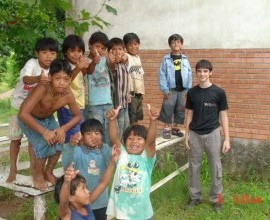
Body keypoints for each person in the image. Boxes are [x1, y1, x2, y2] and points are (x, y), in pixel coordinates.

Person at [18, 59, 81, 191]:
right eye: (58, 78)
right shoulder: (42, 88)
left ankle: (48, 172)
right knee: (44, 143)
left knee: (58, 141)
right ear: (50, 77)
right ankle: (37, 174)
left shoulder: (68, 94)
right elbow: (23, 114)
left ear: (70, 79)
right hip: (29, 119)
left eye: (65, 79)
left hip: (47, 118)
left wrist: (63, 129)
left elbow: (78, 116)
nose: (62, 83)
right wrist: (45, 132)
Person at [6, 37, 58, 183]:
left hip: (33, 110)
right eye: (44, 52)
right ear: (37, 53)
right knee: (15, 140)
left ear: (57, 56)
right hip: (17, 106)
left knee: (33, 141)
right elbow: (25, 79)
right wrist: (38, 78)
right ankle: (13, 169)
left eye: (52, 53)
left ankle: (34, 169)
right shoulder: (31, 63)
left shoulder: (54, 69)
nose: (49, 56)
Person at [185, 59, 230, 213]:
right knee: (193, 166)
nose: (202, 74)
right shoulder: (192, 92)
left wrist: (227, 139)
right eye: (199, 71)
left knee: (215, 167)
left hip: (213, 133)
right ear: (196, 73)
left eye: (205, 71)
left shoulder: (219, 92)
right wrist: (187, 135)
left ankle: (216, 200)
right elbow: (189, 114)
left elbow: (223, 116)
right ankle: (194, 197)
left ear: (210, 72)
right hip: (195, 134)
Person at [106, 104, 159, 219]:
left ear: (144, 143)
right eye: (130, 138)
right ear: (124, 143)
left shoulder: (146, 158)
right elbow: (114, 138)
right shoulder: (122, 155)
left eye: (139, 138)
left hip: (143, 213)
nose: (134, 141)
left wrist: (153, 121)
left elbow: (150, 142)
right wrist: (112, 120)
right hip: (123, 212)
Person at [61, 119, 112, 220]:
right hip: (78, 204)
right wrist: (71, 145)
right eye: (88, 133)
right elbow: (67, 165)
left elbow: (111, 162)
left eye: (97, 133)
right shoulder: (76, 150)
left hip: (100, 203)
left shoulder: (104, 151)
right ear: (82, 136)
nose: (93, 136)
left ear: (102, 136)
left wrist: (102, 145)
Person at [54, 144, 119, 220]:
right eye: (83, 189)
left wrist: (112, 162)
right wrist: (67, 182)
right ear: (70, 197)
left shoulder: (87, 204)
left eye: (86, 188)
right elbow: (64, 200)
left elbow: (103, 183)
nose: (88, 191)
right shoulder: (67, 214)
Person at [158, 34, 192, 139]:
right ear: (170, 45)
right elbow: (162, 74)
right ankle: (167, 129)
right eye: (173, 42)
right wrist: (164, 89)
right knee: (167, 108)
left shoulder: (185, 59)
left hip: (182, 89)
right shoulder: (166, 59)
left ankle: (175, 128)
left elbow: (189, 73)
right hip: (170, 89)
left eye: (178, 42)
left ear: (181, 44)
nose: (176, 44)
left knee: (180, 109)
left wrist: (188, 89)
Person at [57, 34, 89, 143]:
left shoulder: (78, 64)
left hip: (79, 106)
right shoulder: (64, 65)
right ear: (65, 52)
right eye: (72, 51)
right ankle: (70, 159)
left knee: (79, 137)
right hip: (67, 108)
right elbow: (65, 82)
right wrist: (78, 68)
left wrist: (82, 67)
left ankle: (77, 159)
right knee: (72, 139)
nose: (76, 54)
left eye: (79, 51)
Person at [84, 31, 113, 145]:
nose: (99, 50)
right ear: (90, 45)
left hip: (107, 101)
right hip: (94, 103)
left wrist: (109, 57)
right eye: (97, 46)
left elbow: (113, 66)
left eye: (102, 48)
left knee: (109, 129)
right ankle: (96, 154)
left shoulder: (105, 59)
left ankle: (107, 154)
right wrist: (94, 62)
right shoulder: (85, 60)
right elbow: (89, 71)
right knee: (96, 130)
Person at [107, 37, 130, 138]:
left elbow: (126, 81)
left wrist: (128, 94)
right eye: (114, 49)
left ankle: (123, 146)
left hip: (124, 102)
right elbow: (112, 69)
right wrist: (113, 62)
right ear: (109, 51)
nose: (117, 52)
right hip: (116, 103)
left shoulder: (123, 64)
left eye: (120, 49)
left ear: (124, 51)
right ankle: (117, 148)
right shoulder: (111, 64)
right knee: (118, 128)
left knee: (126, 126)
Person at [123, 33, 145, 125]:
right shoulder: (126, 56)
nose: (133, 47)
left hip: (138, 93)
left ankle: (135, 134)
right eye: (130, 45)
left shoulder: (138, 58)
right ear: (125, 47)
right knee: (132, 118)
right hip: (131, 94)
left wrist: (142, 92)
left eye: (135, 44)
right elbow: (122, 58)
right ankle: (133, 135)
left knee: (137, 116)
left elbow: (141, 76)